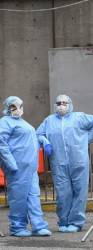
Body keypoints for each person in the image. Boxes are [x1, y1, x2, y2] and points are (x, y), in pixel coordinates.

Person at [36, 94, 93, 233]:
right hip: (58, 162)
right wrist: (45, 141)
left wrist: (87, 139)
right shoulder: (49, 120)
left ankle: (76, 222)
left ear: (70, 104)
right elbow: (38, 134)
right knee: (63, 193)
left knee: (80, 192)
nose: (61, 105)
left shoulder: (79, 117)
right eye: (59, 103)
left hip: (78, 161)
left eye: (64, 103)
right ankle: (64, 221)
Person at [0, 96, 51, 237]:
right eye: (13, 106)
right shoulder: (5, 122)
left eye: (19, 106)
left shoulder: (23, 123)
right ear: (7, 108)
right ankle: (17, 226)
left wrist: (42, 140)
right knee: (18, 198)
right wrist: (10, 163)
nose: (17, 109)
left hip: (30, 167)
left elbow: (31, 137)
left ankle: (38, 225)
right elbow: (1, 144)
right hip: (17, 168)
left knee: (34, 196)